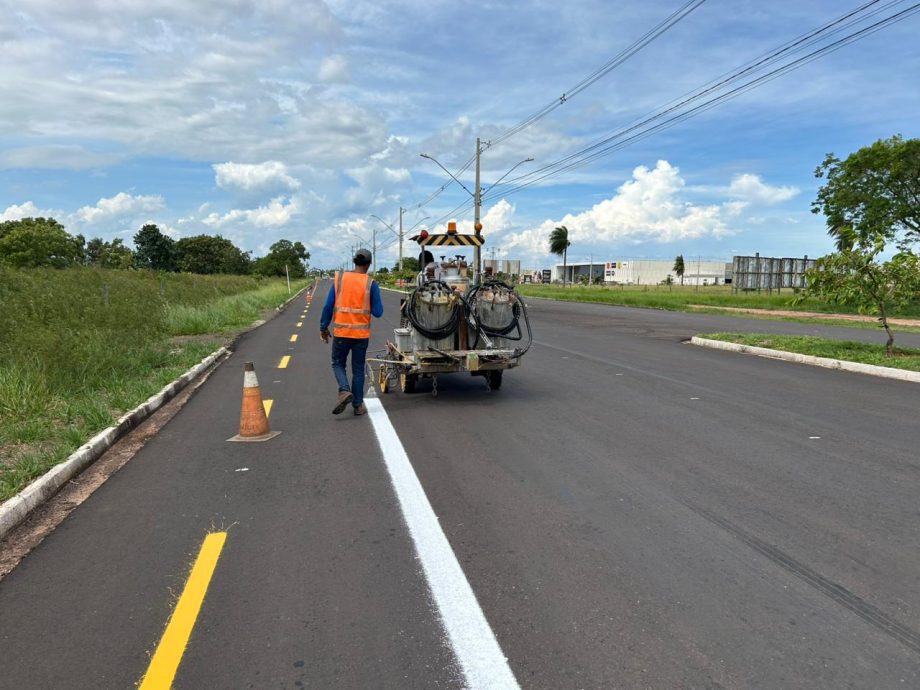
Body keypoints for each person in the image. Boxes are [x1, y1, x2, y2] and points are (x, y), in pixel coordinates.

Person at [320, 249, 384, 416]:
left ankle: (344, 390)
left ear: (354, 262)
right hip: (361, 336)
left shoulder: (340, 279)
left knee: (338, 363)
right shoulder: (371, 283)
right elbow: (378, 312)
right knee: (358, 369)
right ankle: (357, 405)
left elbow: (328, 306)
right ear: (369, 264)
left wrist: (323, 327)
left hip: (341, 333)